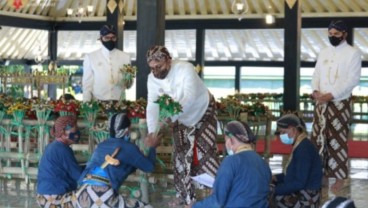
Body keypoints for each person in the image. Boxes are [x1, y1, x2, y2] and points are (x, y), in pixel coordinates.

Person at [145, 45, 220, 206]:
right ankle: (183, 196)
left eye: (159, 67)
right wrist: (153, 131)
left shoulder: (185, 69)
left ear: (169, 61)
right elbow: (152, 105)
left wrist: (171, 118)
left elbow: (189, 98)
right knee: (180, 154)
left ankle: (215, 193)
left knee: (205, 151)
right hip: (180, 116)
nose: (156, 71)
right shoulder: (152, 79)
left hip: (203, 109)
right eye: (152, 68)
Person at [311, 20, 362, 192]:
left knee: (337, 140)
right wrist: (316, 90)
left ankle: (339, 177)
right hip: (321, 103)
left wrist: (331, 95)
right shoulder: (324, 52)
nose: (332, 37)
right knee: (319, 138)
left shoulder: (353, 53)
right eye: (330, 34)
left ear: (344, 34)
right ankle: (321, 174)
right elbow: (316, 73)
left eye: (336, 34)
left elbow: (352, 80)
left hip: (339, 103)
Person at [76, 112, 159, 208]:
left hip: (81, 194)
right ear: (127, 130)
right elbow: (150, 167)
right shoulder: (128, 147)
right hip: (101, 196)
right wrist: (152, 147)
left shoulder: (101, 145)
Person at [190, 121, 271, 208]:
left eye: (225, 140)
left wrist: (194, 206)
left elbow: (217, 202)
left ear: (230, 139)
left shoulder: (231, 161)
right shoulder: (263, 163)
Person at [270, 114, 323, 208]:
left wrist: (274, 190)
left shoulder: (304, 149)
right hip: (303, 189)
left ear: (293, 129)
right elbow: (295, 173)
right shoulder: (301, 144)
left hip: (307, 196)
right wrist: (276, 178)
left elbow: (299, 182)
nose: (281, 136)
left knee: (269, 197)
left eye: (283, 132)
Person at [36, 115, 82, 208]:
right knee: (89, 197)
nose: (77, 133)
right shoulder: (62, 149)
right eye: (75, 130)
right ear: (64, 132)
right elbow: (78, 175)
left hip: (44, 195)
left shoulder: (53, 146)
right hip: (54, 197)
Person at [82, 24, 131, 102]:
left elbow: (128, 84)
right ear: (101, 39)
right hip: (98, 103)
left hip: (119, 102)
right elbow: (87, 84)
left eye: (113, 38)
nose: (110, 40)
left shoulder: (125, 57)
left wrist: (128, 82)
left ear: (116, 38)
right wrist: (86, 103)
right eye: (106, 38)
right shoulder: (90, 57)